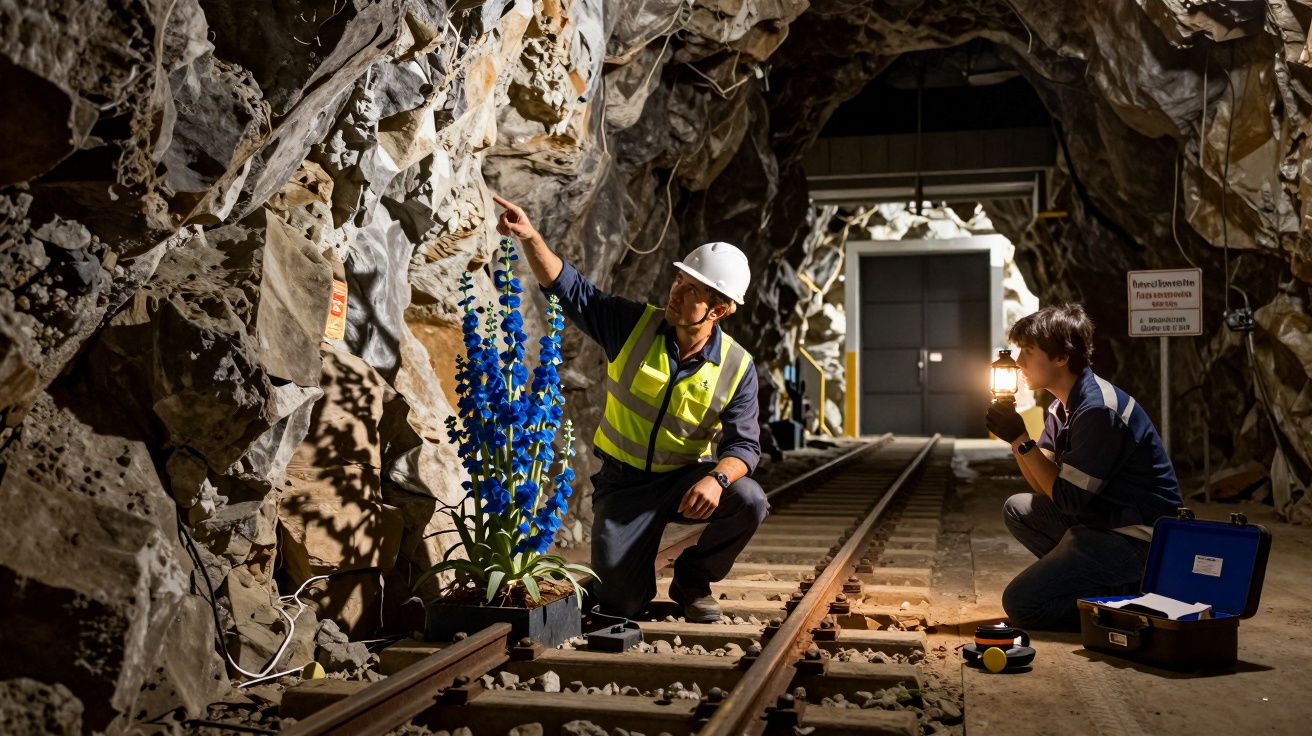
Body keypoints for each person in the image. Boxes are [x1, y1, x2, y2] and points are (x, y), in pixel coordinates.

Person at [492, 195, 768, 623]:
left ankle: (692, 581)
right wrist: (531, 238)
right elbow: (572, 291)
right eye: (679, 280)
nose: (676, 292)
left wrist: (716, 479)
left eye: (692, 290)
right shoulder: (633, 326)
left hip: (683, 480)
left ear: (719, 309)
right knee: (621, 605)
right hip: (623, 485)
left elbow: (745, 447)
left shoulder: (737, 367)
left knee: (748, 499)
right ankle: (622, 576)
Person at [984, 304, 1182, 630]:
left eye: (1028, 353)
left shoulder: (1098, 410)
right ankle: (1087, 581)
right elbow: (1042, 484)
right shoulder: (1062, 405)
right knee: (1018, 508)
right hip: (1100, 521)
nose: (1019, 364)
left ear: (1061, 357)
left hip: (1138, 540)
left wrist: (1020, 438)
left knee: (1021, 605)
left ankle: (1124, 596)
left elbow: (1068, 498)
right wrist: (1014, 436)